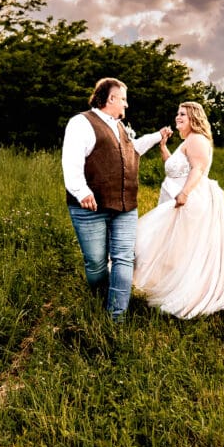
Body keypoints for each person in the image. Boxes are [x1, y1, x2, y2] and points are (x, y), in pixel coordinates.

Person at [133, 101, 224, 318]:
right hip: (177, 200)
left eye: (183, 114)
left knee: (184, 246)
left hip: (190, 201)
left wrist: (184, 194)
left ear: (194, 117)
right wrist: (163, 147)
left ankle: (192, 294)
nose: (178, 117)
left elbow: (198, 169)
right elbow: (174, 168)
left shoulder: (197, 140)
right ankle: (172, 283)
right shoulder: (187, 142)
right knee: (176, 247)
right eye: (177, 113)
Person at [62, 78, 172, 320]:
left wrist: (157, 136)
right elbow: (71, 161)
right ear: (110, 99)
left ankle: (116, 316)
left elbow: (132, 149)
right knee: (96, 263)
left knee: (124, 257)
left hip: (125, 206)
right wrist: (82, 192)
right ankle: (100, 298)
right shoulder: (81, 123)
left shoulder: (120, 126)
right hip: (90, 206)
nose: (126, 104)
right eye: (123, 98)